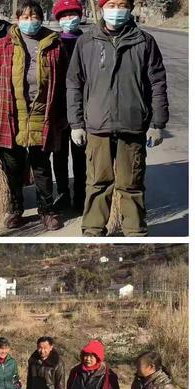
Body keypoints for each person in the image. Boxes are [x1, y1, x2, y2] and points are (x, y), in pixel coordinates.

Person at [66, 0, 169, 236]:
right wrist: (76, 123)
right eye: (111, 4)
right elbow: (74, 84)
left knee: (131, 185)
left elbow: (157, 83)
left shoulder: (144, 41)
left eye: (122, 4)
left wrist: (158, 123)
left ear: (130, 8)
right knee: (97, 184)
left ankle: (134, 232)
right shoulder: (87, 41)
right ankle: (93, 231)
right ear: (102, 8)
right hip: (97, 126)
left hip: (132, 126)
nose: (116, 10)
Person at [0, 0, 67, 231]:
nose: (30, 21)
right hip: (10, 113)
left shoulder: (54, 45)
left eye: (34, 16)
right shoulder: (4, 45)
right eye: (25, 17)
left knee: (41, 166)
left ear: (42, 17)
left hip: (42, 113)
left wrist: (65, 115)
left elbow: (66, 83)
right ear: (17, 19)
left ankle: (47, 210)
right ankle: (15, 209)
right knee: (13, 167)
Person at [51, 0, 86, 213]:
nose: (69, 18)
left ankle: (81, 196)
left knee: (81, 155)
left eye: (73, 13)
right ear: (58, 19)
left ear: (80, 15)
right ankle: (63, 194)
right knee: (60, 154)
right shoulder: (53, 43)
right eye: (64, 15)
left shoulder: (89, 40)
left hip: (83, 109)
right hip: (58, 109)